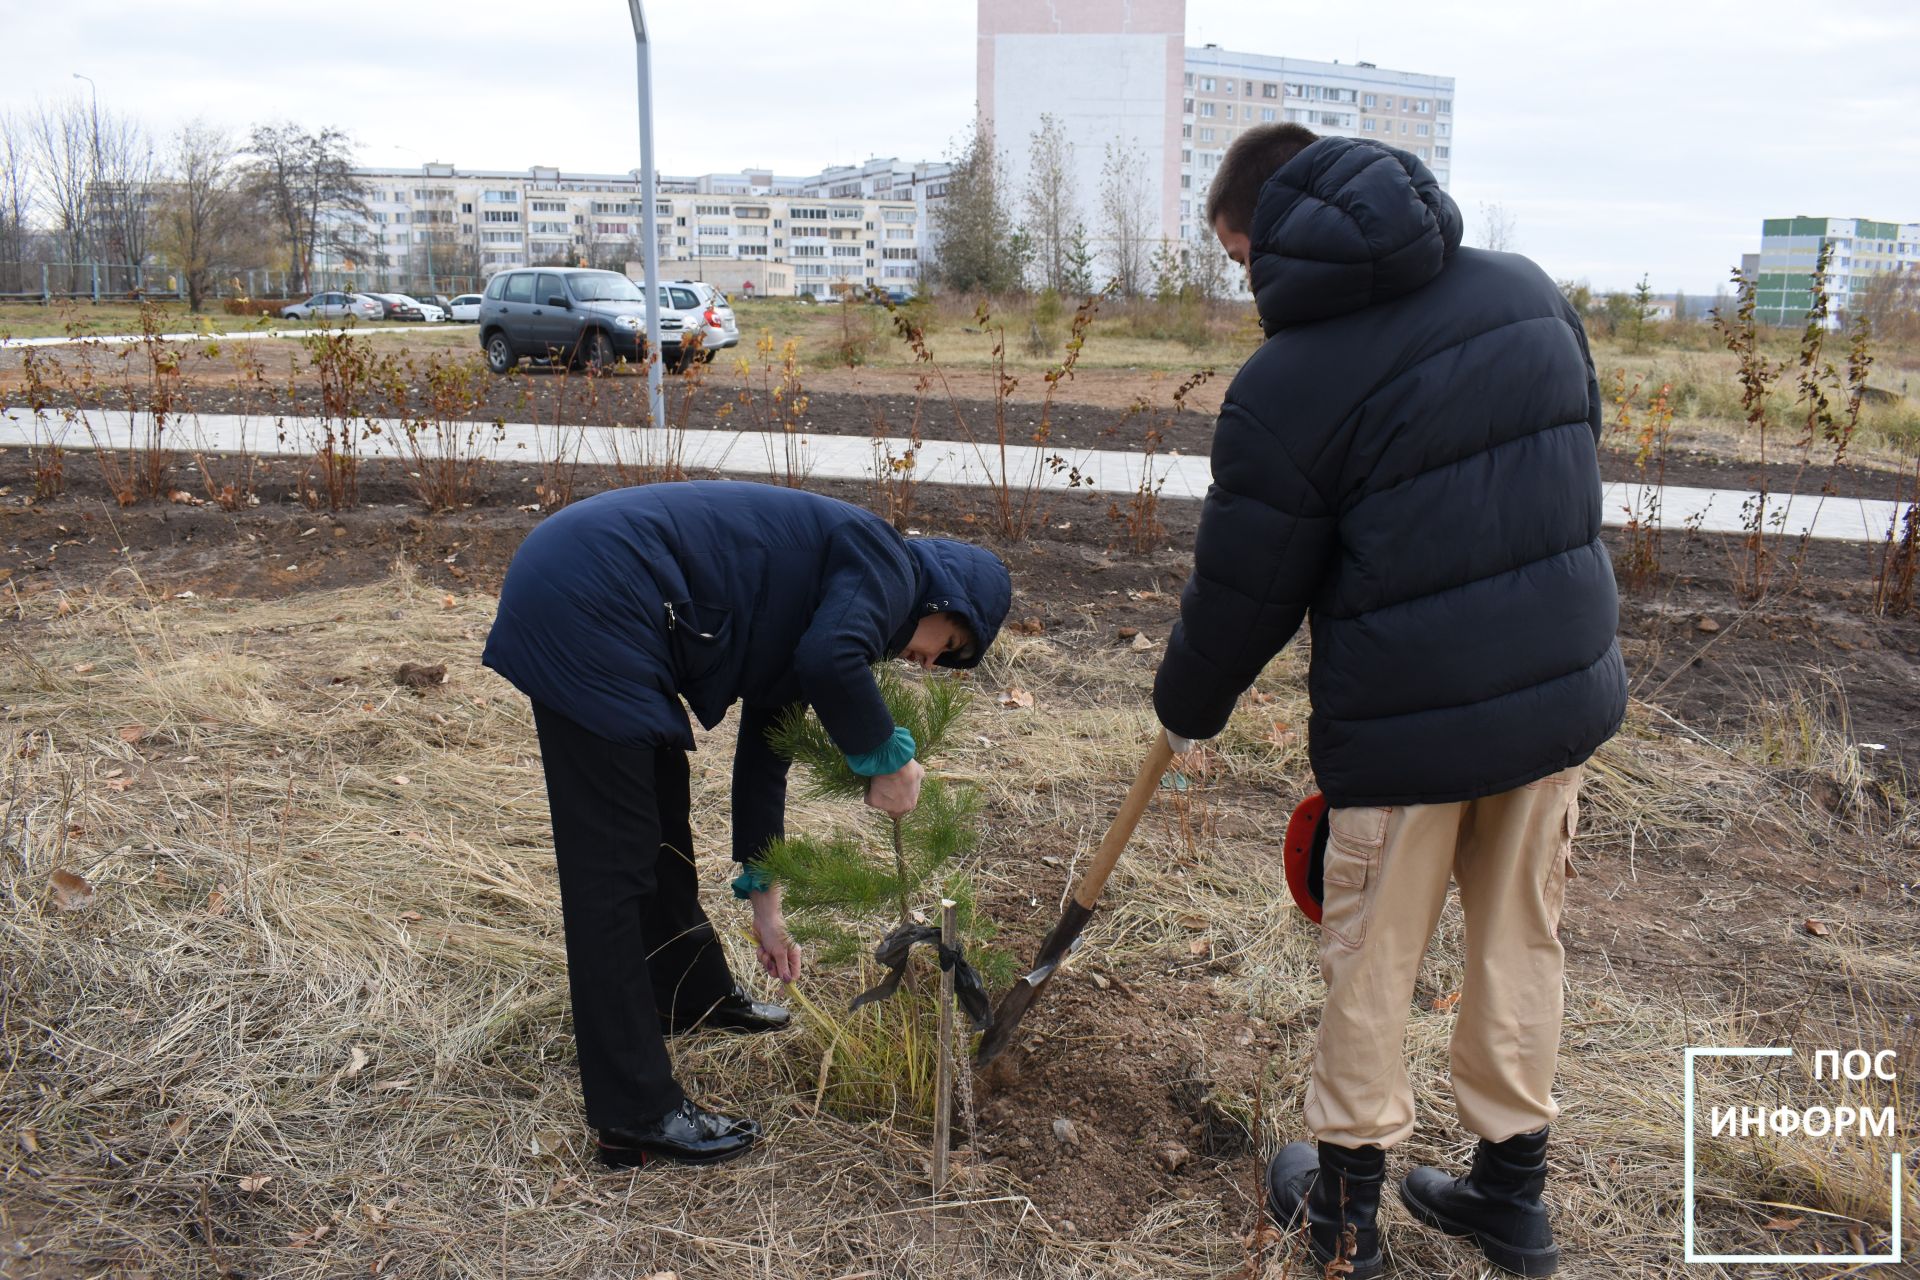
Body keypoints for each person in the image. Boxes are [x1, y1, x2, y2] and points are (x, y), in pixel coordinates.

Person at [1153, 125, 1625, 1278]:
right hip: (1558, 698)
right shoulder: (1526, 293)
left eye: (1236, 256)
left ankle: (1345, 1221)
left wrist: (1188, 703)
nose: (1246, 283)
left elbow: (1247, 584)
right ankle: (1512, 1199)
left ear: (1268, 231)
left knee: (1373, 958)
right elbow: (1570, 453)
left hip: (1408, 726)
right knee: (1523, 940)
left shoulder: (1291, 380)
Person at [483, 480, 1011, 1168]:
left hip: (602, 594)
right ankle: (634, 1113)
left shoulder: (834, 602)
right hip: (589, 592)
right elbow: (831, 661)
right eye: (950, 643)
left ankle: (687, 994)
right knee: (612, 869)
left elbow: (768, 755)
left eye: (947, 663)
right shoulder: (889, 567)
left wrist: (768, 906)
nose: (930, 662)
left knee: (659, 819)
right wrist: (887, 759)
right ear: (945, 601)